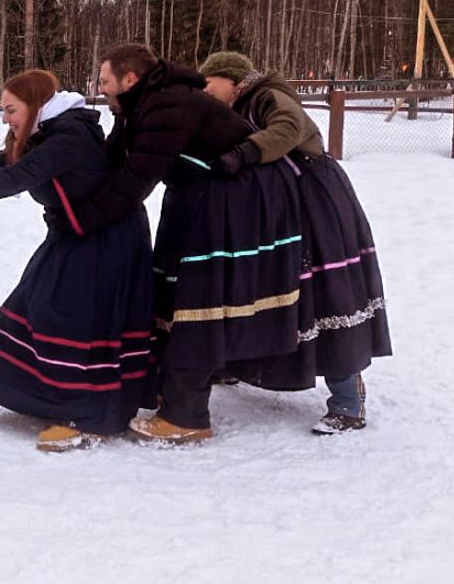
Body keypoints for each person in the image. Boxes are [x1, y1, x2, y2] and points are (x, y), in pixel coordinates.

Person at [74, 44, 306, 444]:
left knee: (197, 299)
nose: (100, 88)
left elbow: (136, 181)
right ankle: (163, 390)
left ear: (130, 79)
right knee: (168, 288)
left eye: (105, 80)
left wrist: (80, 221)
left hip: (236, 200)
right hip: (197, 195)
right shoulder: (136, 108)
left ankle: (187, 416)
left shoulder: (168, 106)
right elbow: (111, 162)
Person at [0, 70, 154, 451]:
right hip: (71, 235)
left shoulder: (71, 136)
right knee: (25, 305)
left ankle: (87, 414)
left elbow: (15, 177)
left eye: (10, 109)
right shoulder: (46, 133)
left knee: (74, 320)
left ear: (37, 105)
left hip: (107, 241)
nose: (4, 118)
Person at [199, 51, 392, 434]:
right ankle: (236, 363)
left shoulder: (269, 95)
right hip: (273, 212)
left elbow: (290, 126)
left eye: (209, 82)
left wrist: (246, 152)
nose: (203, 90)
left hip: (313, 205)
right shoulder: (233, 107)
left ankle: (348, 401)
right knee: (265, 288)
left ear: (232, 79)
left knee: (324, 293)